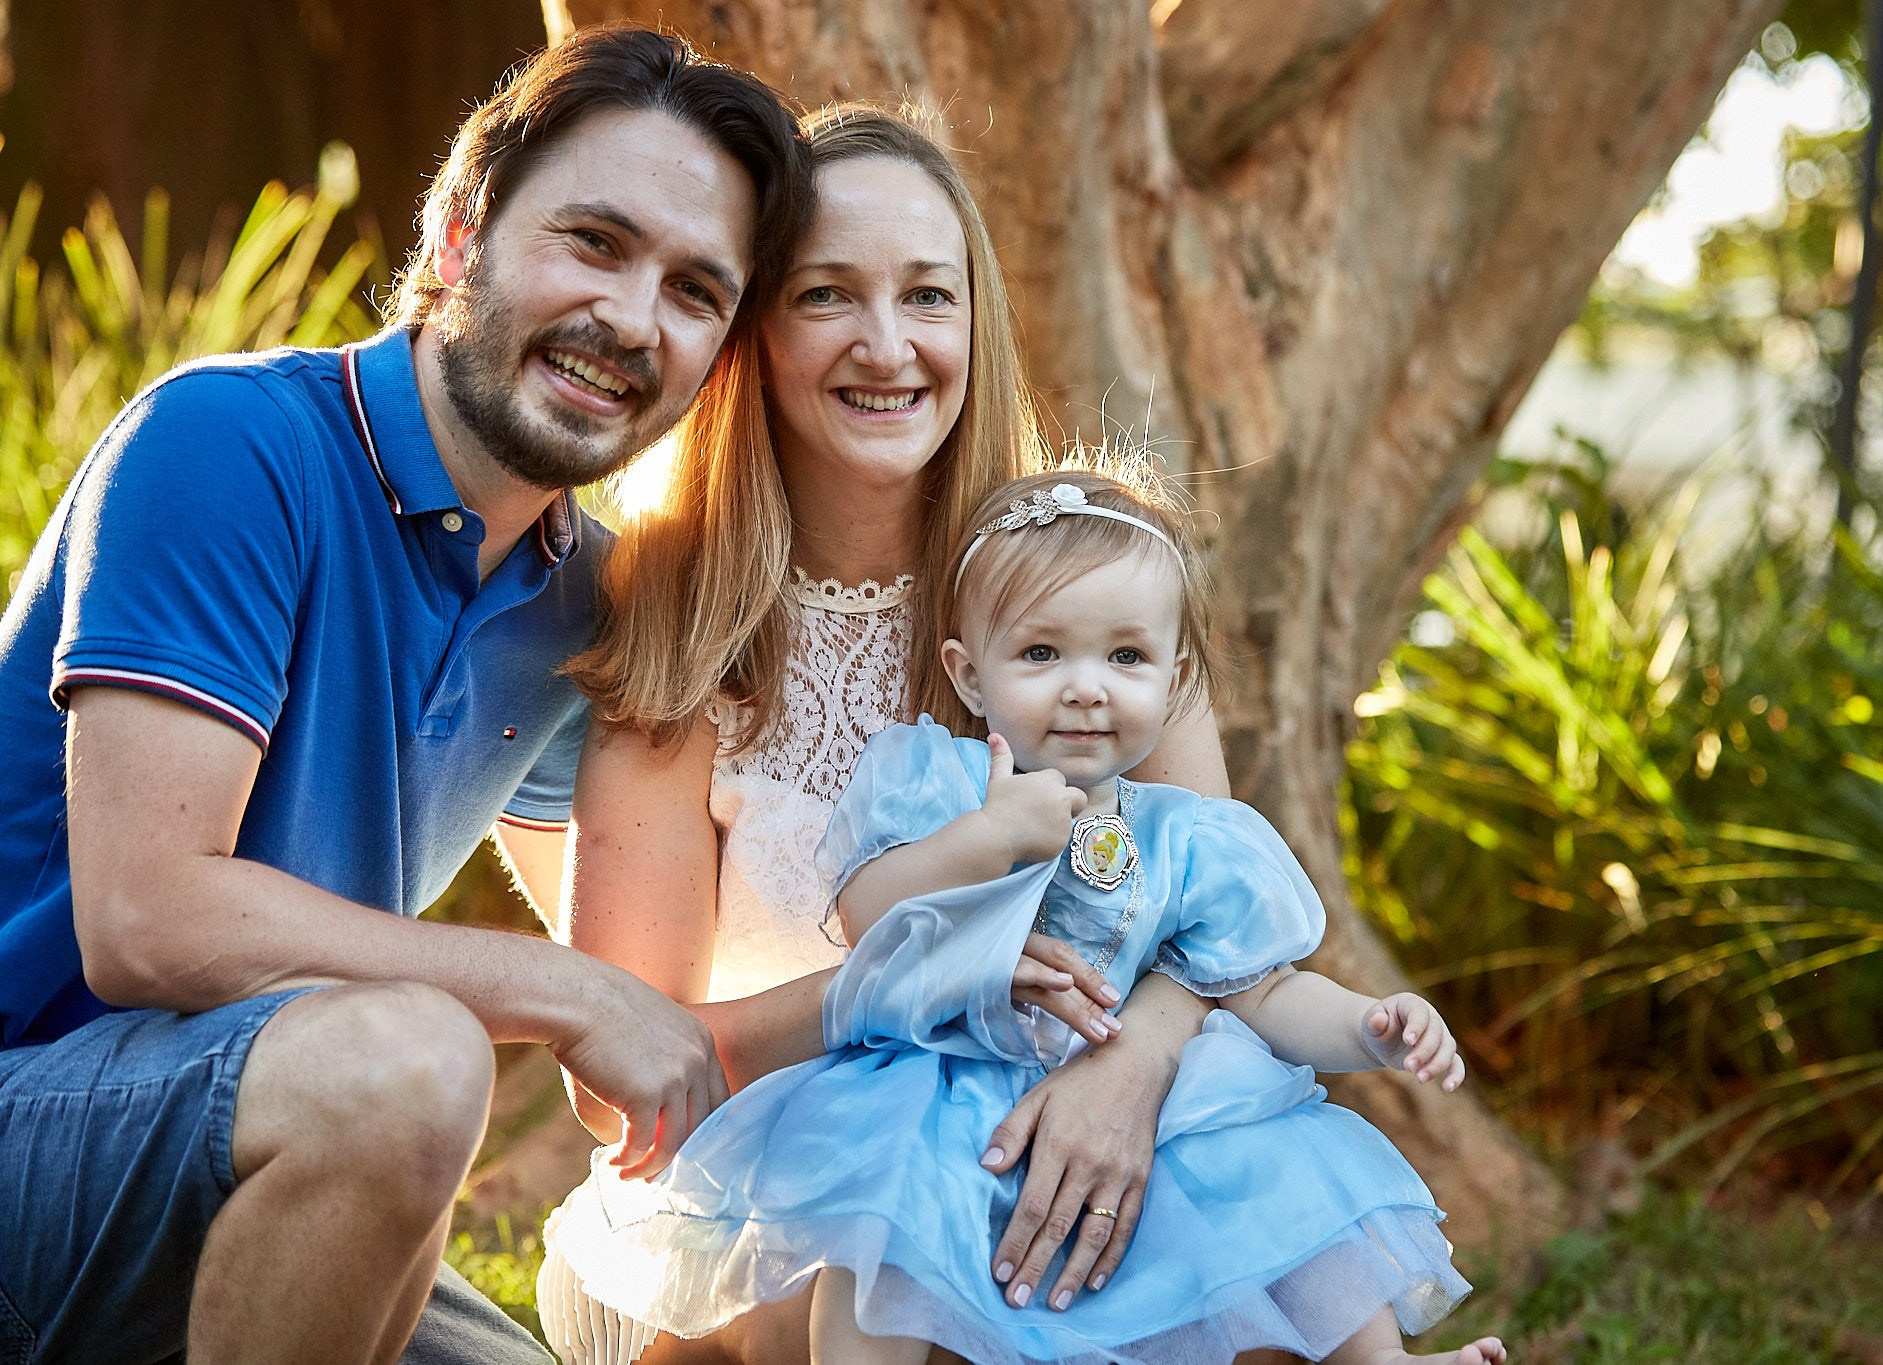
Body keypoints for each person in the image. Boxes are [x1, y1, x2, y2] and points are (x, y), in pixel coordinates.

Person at [0, 25, 809, 1364]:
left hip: (262, 1163)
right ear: (456, 235)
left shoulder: (582, 605)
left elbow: (642, 1001)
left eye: (694, 291)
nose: (630, 319)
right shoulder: (228, 445)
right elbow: (145, 919)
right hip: (39, 1131)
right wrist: (553, 990)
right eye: (595, 243)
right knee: (411, 1064)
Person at [537, 107, 1227, 1364]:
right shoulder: (679, 615)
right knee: (873, 1304)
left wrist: (1128, 1076)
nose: (887, 345)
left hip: (1058, 1144)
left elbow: (1222, 914)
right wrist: (908, 984)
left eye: (927, 295)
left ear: (977, 321)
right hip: (770, 1201)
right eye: (825, 296)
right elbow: (615, 1075)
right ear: (752, 332)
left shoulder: (1095, 586)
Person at [544, 467, 1507, 1365]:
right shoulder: (941, 779)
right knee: (883, 1228)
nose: (1085, 685)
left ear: (1174, 683)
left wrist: (1370, 1028)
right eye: (1043, 652)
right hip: (940, 1094)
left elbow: (1260, 987)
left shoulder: (1190, 836)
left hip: (1137, 1107)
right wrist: (989, 836)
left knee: (1286, 1181)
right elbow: (869, 913)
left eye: (1125, 655)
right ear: (969, 674)